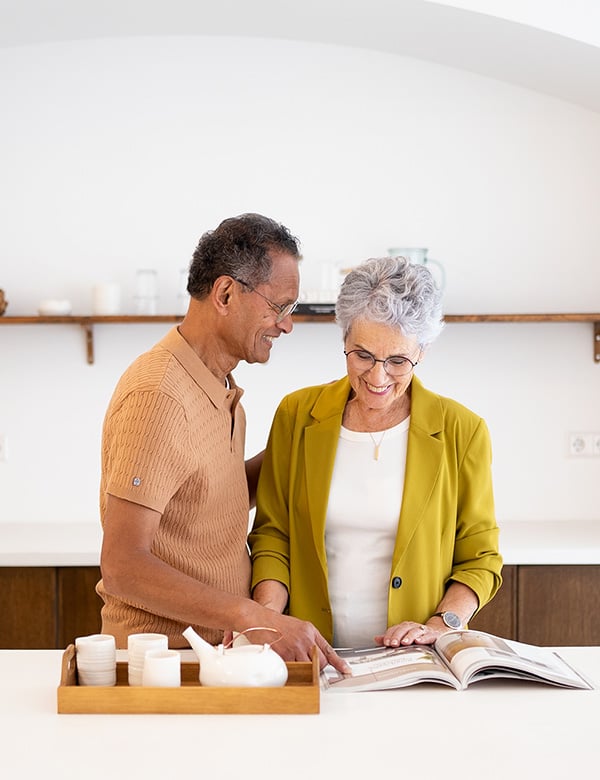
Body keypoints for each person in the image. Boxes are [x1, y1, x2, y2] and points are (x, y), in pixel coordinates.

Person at [96, 213, 348, 672]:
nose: (286, 326)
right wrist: (253, 617)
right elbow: (122, 565)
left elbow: (212, 496)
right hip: (164, 664)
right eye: (280, 307)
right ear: (226, 294)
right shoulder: (159, 395)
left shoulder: (220, 385)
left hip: (213, 658)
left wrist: (322, 439)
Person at [249, 255, 503, 649]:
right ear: (344, 339)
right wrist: (267, 619)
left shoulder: (462, 431)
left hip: (414, 661)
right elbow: (272, 536)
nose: (378, 377)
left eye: (398, 361)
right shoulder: (297, 415)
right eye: (363, 355)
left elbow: (480, 559)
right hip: (310, 655)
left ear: (422, 352)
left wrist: (442, 623)